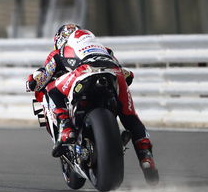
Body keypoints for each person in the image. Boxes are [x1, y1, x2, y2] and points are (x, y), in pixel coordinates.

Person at [26, 24, 158, 183]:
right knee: (131, 118)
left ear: (60, 40)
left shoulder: (58, 53)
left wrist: (31, 82)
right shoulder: (105, 49)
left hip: (82, 75)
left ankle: (66, 127)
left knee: (52, 91)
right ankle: (146, 159)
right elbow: (128, 75)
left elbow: (42, 75)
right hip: (114, 76)